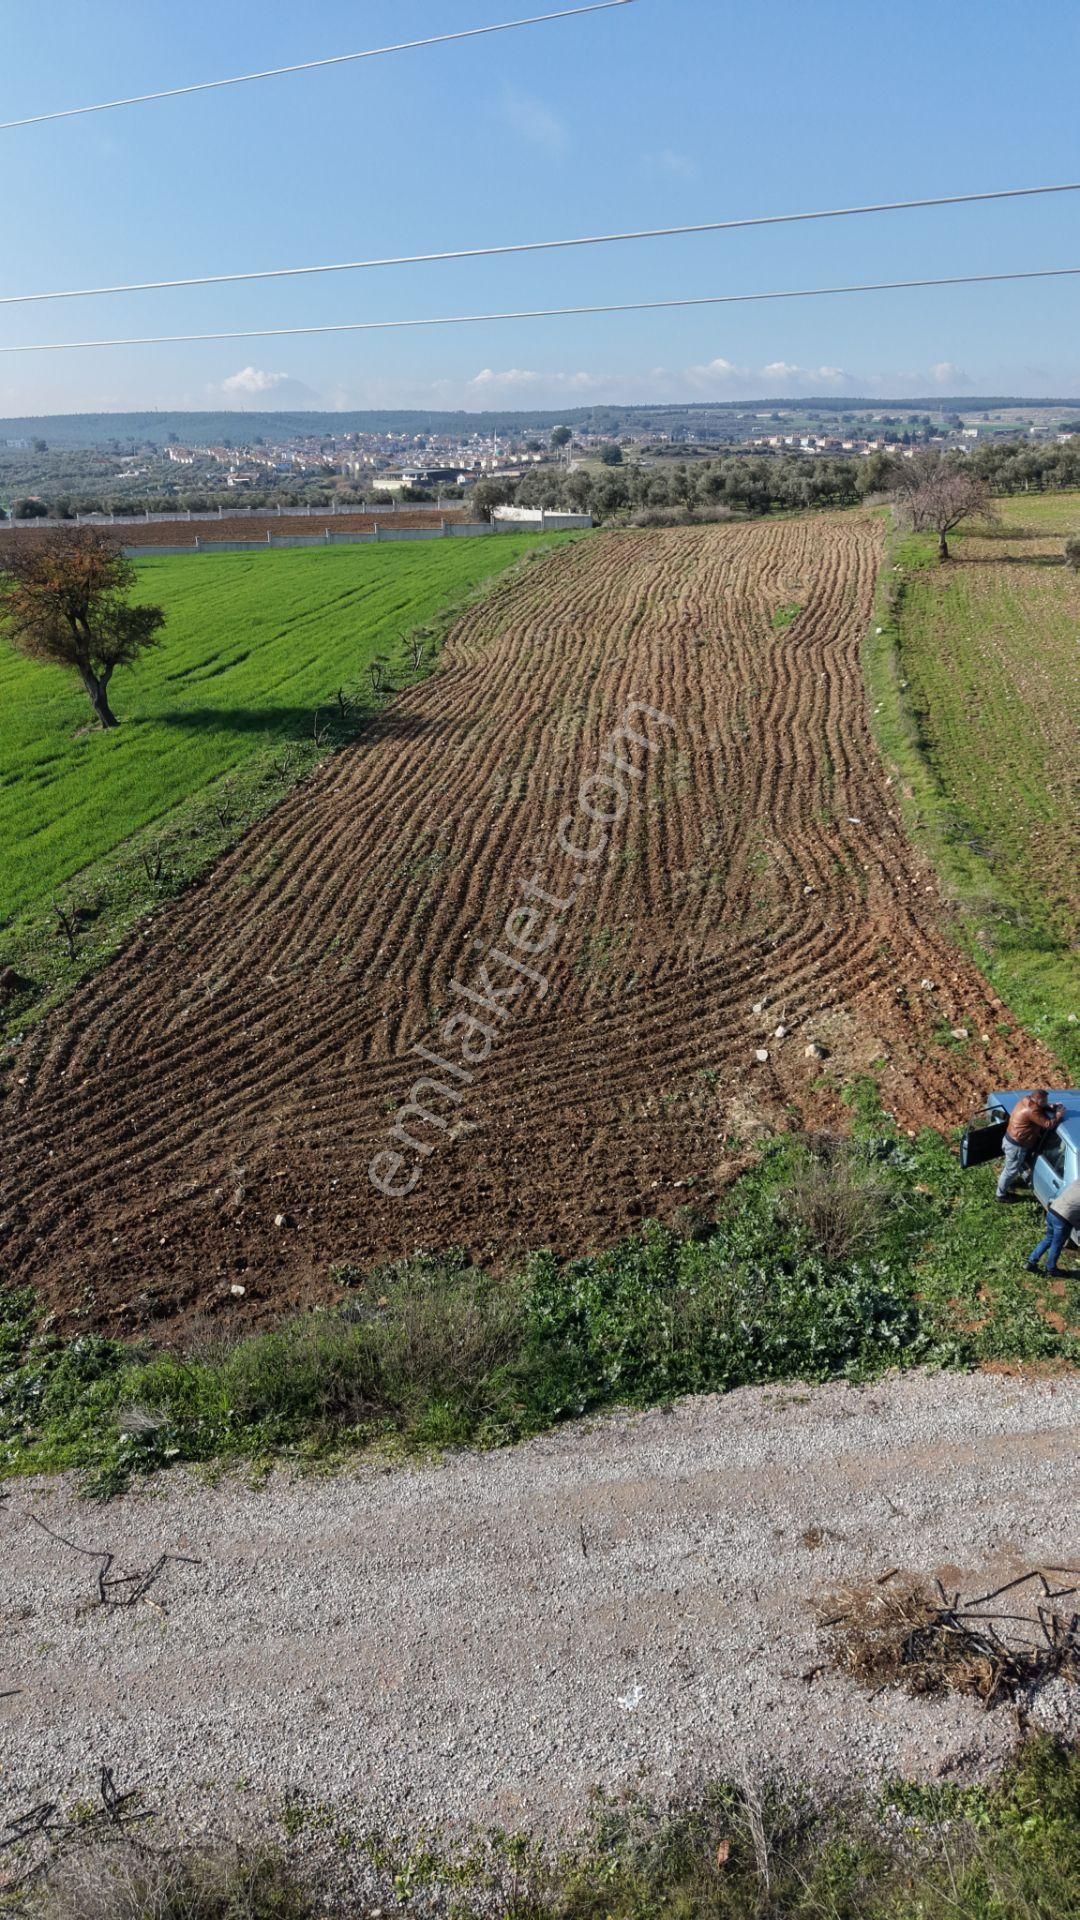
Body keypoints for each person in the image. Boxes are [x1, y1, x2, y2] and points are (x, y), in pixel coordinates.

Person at [995, 1089, 1065, 1200]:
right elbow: (1048, 1124)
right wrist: (1058, 1115)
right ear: (1038, 1100)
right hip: (1016, 1146)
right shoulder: (1032, 1111)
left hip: (1010, 1139)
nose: (1047, 1101)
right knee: (1010, 1171)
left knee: (1011, 1166)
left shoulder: (1026, 1100)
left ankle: (1007, 1181)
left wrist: (1049, 1107)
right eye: (1045, 1100)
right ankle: (1001, 1195)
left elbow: (1039, 1108)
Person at [1027, 1176, 1080, 1278]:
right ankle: (1051, 1269)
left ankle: (1031, 1261)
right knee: (1057, 1244)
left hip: (1052, 1211)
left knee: (1049, 1238)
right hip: (1063, 1219)